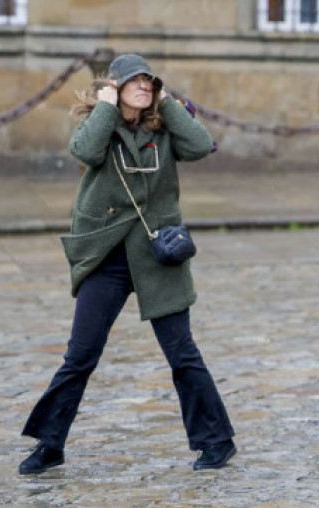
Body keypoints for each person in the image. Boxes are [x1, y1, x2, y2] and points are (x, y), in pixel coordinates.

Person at [18, 54, 236, 475]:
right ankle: (50, 444)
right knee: (80, 355)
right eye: (133, 81)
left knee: (182, 352)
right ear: (113, 87)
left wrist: (169, 105)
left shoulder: (166, 126)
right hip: (106, 255)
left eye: (149, 82)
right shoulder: (100, 125)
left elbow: (200, 145)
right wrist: (104, 106)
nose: (144, 87)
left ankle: (217, 441)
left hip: (158, 254)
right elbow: (84, 150)